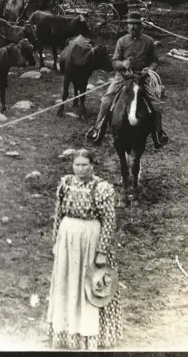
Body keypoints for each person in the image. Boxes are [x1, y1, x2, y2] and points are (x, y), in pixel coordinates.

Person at [47, 149, 122, 350]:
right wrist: (56, 241)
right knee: (67, 281)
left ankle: (90, 335)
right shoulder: (65, 185)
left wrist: (102, 251)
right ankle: (66, 332)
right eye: (77, 165)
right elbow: (58, 213)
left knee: (91, 286)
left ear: (92, 166)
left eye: (84, 165)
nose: (80, 169)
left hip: (90, 239)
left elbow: (108, 221)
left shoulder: (101, 188)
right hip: (67, 239)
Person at [85, 11, 169, 148]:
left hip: (143, 77)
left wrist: (150, 70)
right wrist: (123, 64)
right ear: (127, 26)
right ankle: (97, 130)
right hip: (123, 76)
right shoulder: (122, 41)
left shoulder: (148, 41)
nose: (132, 27)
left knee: (155, 103)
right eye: (130, 24)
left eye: (135, 25)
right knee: (107, 100)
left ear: (140, 26)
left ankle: (159, 134)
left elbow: (155, 61)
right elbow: (114, 62)